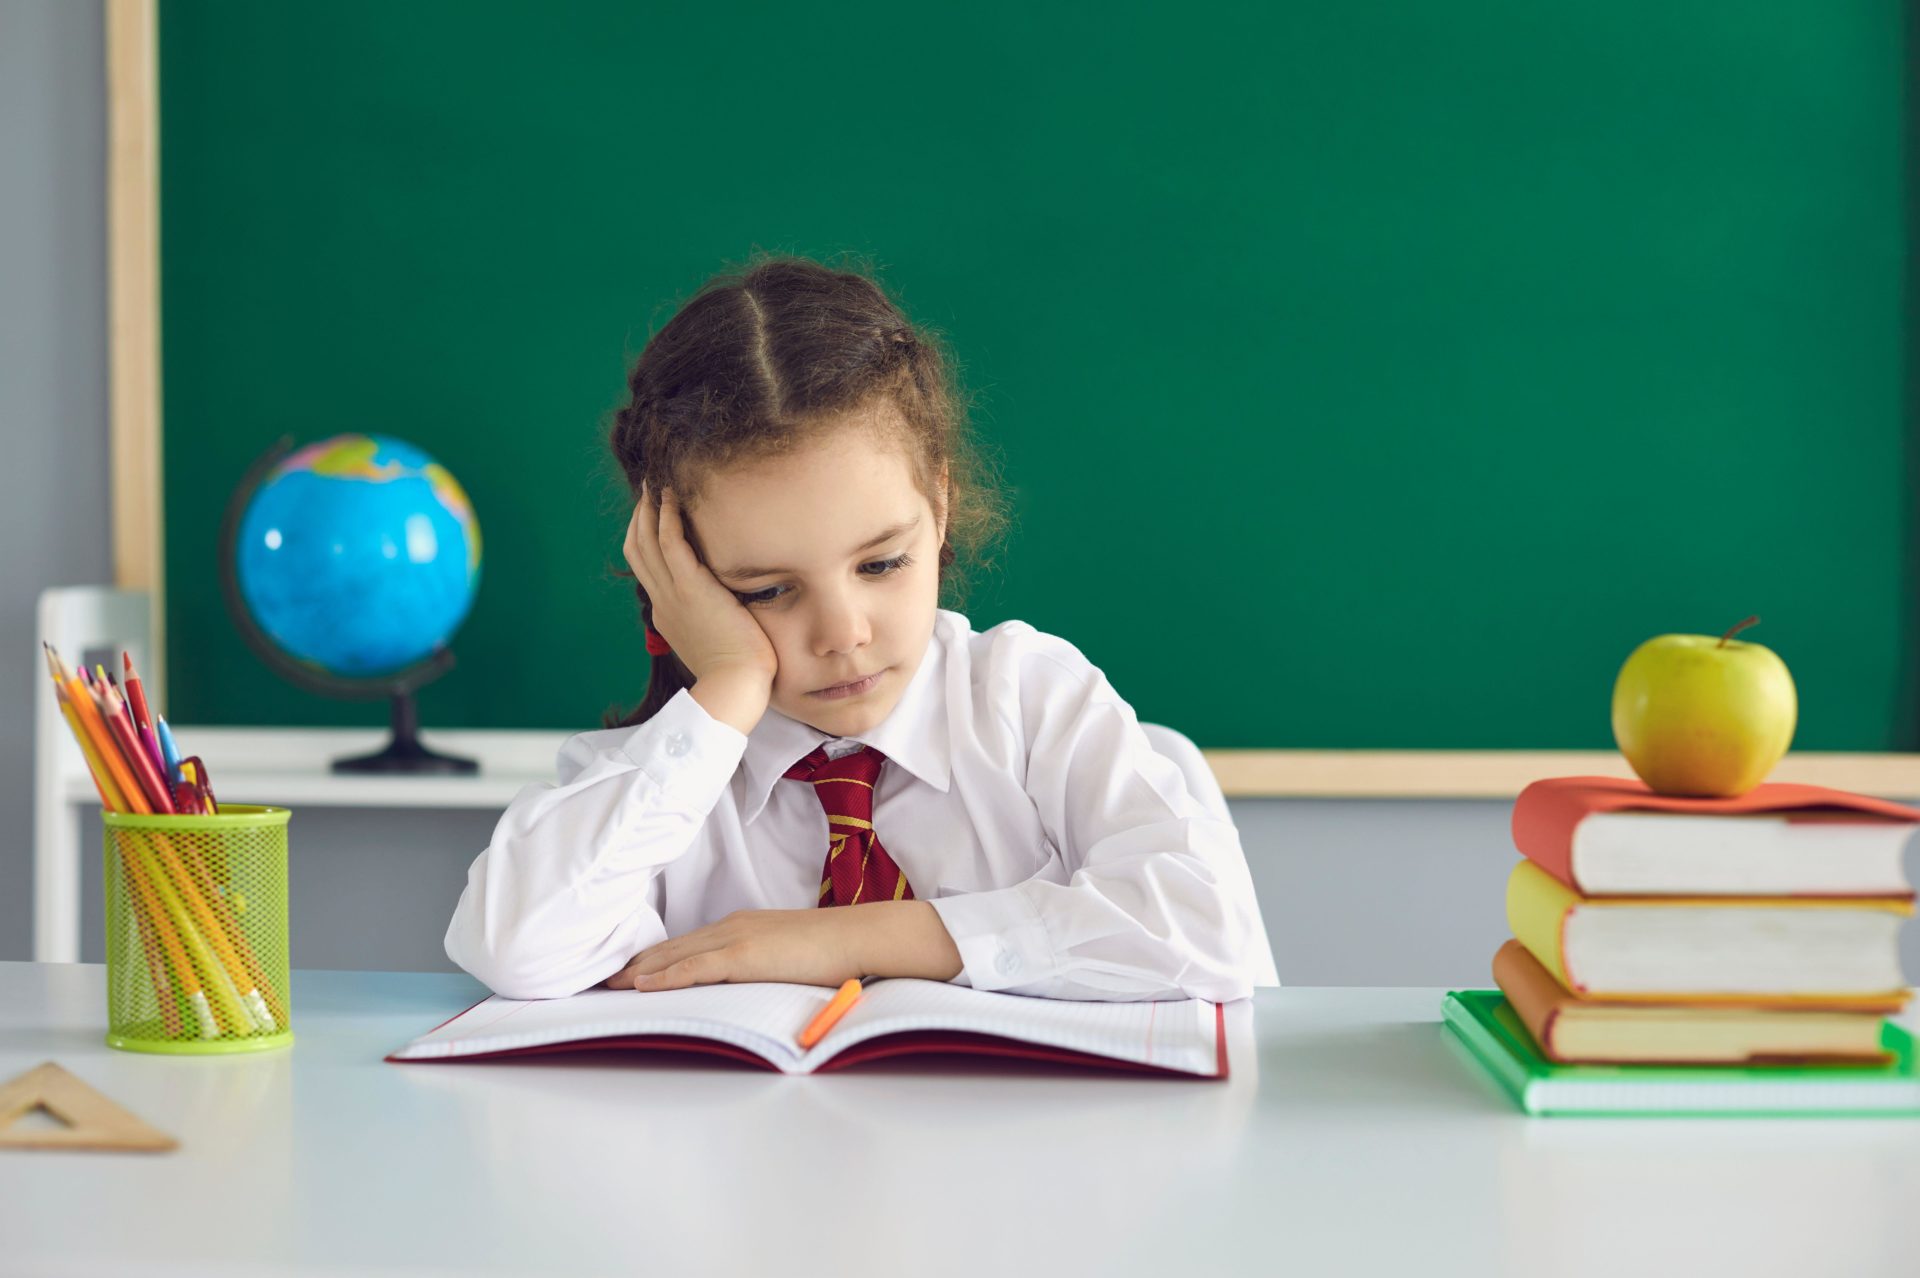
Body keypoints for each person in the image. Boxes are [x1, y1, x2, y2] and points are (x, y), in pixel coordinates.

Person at [444, 253, 1276, 1003]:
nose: (842, 633)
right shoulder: (660, 779)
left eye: (880, 565)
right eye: (767, 590)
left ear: (939, 505)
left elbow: (1210, 932)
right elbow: (517, 949)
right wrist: (729, 688)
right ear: (681, 577)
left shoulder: (1027, 699)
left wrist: (842, 939)